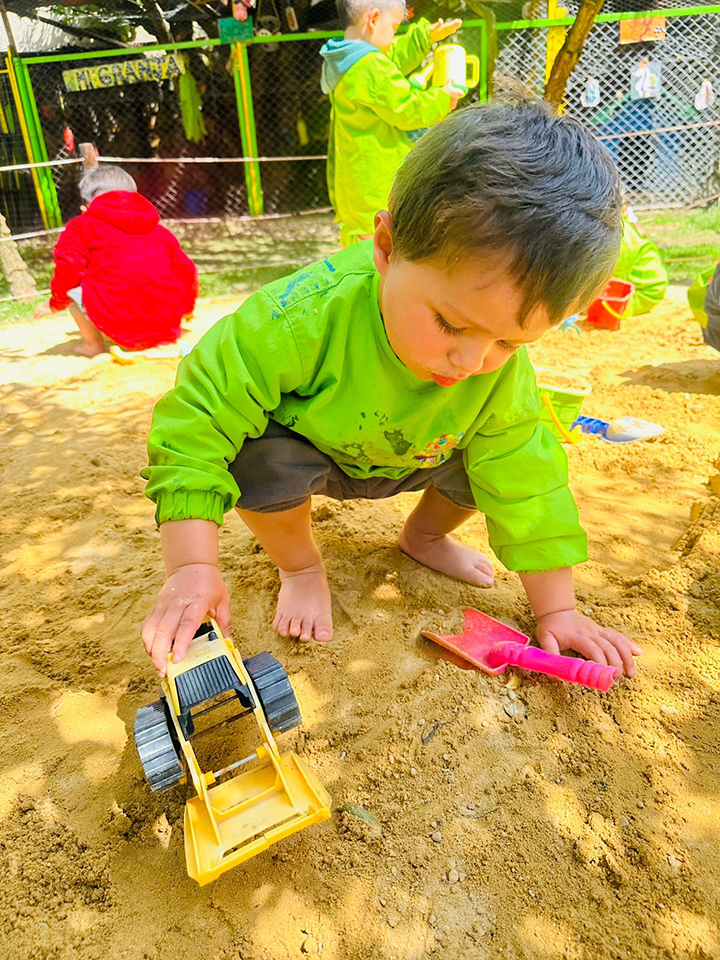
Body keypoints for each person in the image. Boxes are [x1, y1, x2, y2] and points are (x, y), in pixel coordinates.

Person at [141, 95, 643, 681]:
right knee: (255, 459)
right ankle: (301, 568)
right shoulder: (298, 320)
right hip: (313, 455)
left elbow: (527, 480)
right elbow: (198, 418)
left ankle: (423, 535)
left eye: (510, 342)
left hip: (420, 454)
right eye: (452, 324)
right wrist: (190, 567)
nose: (472, 360)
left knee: (494, 461)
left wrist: (558, 609)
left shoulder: (492, 370)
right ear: (386, 248)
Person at [320, 0, 462, 246]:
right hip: (376, 185)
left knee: (359, 248)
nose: (394, 35)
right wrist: (442, 98)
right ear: (374, 19)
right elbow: (406, 108)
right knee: (378, 254)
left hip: (355, 186)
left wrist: (423, 38)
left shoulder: (345, 59)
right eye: (395, 27)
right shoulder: (369, 67)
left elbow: (389, 59)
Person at [34, 165, 198, 357]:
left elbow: (69, 265)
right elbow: (187, 270)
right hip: (166, 330)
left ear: (87, 204)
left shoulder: (81, 226)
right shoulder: (158, 230)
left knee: (72, 290)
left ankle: (92, 345)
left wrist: (55, 303)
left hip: (124, 331)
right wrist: (186, 309)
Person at [613, 210, 668, 315]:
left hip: (643, 294)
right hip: (636, 287)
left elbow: (612, 279)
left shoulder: (620, 237)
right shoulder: (619, 224)